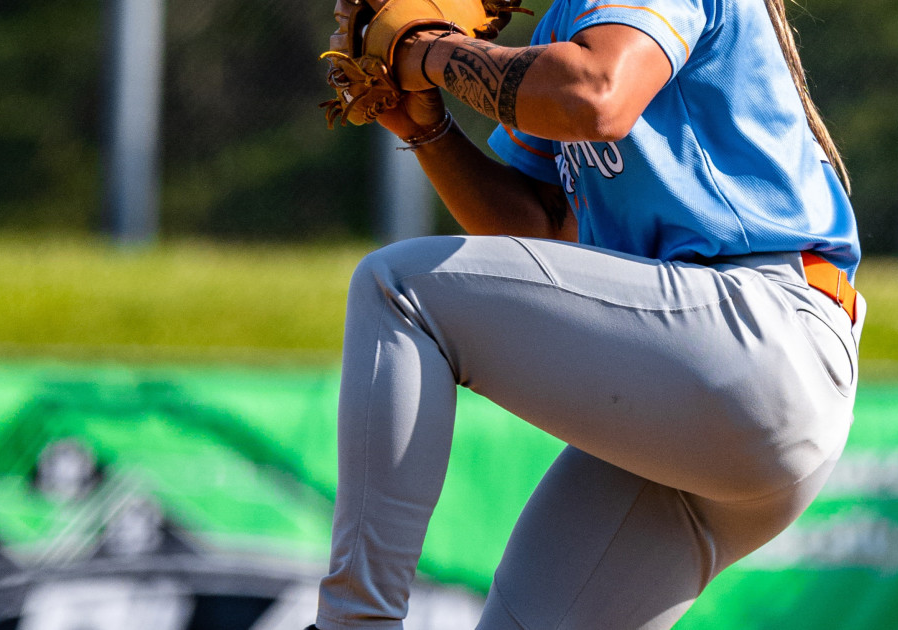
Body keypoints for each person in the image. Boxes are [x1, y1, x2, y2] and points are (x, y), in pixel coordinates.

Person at [313, 0, 864, 628]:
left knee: (400, 289)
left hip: (754, 332)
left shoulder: (589, 42)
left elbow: (595, 95)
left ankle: (354, 622)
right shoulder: (567, 26)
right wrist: (426, 133)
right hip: (696, 387)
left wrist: (424, 50)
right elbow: (544, 228)